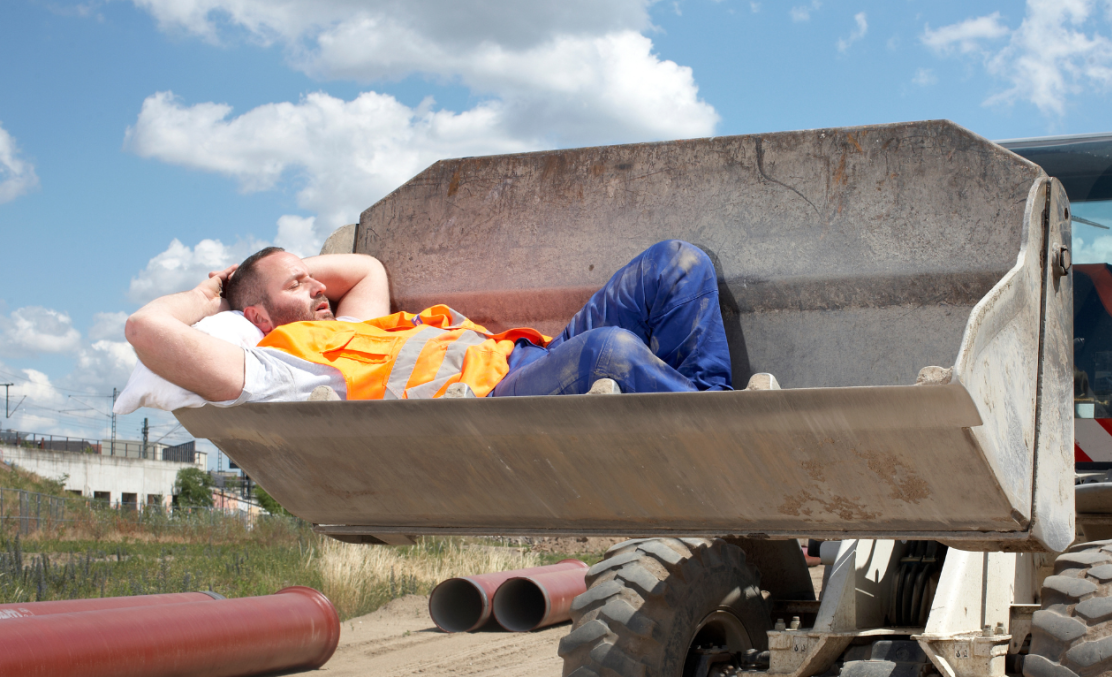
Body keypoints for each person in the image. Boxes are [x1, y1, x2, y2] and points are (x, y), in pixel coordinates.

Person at [123, 240, 735, 406]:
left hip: (533, 355)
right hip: (495, 401)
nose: (316, 286)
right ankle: (727, 438)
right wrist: (211, 297)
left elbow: (362, 267)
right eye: (298, 286)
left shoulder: (347, 326)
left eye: (312, 278)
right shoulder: (279, 363)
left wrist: (281, 270)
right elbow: (146, 330)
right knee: (611, 350)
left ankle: (711, 405)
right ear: (257, 316)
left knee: (676, 263)